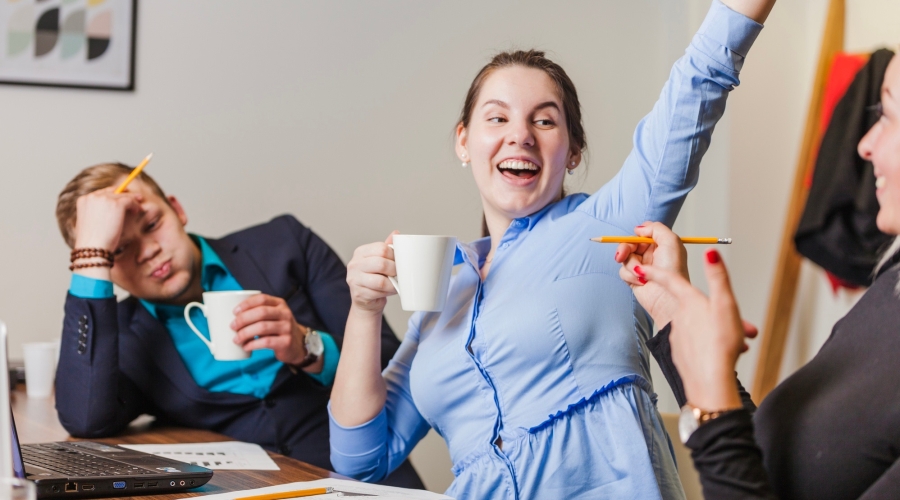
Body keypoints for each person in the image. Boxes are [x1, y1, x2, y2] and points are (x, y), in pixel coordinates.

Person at [328, 1, 776, 498]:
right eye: (496, 118)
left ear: (574, 150)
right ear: (464, 141)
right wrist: (365, 311)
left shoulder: (609, 224)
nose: (519, 134)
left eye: (544, 121)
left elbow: (701, 80)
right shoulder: (440, 297)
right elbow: (360, 460)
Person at [615, 53, 900, 499]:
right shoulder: (892, 287)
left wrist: (712, 406)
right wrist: (675, 313)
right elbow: (767, 468)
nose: (865, 144)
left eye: (887, 115)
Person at [54, 163, 423, 488]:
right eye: (118, 249)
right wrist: (89, 254)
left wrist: (307, 347)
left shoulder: (285, 244)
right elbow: (85, 419)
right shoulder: (120, 335)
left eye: (152, 224)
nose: (147, 251)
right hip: (241, 489)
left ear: (177, 209)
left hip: (371, 481)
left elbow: (392, 364)